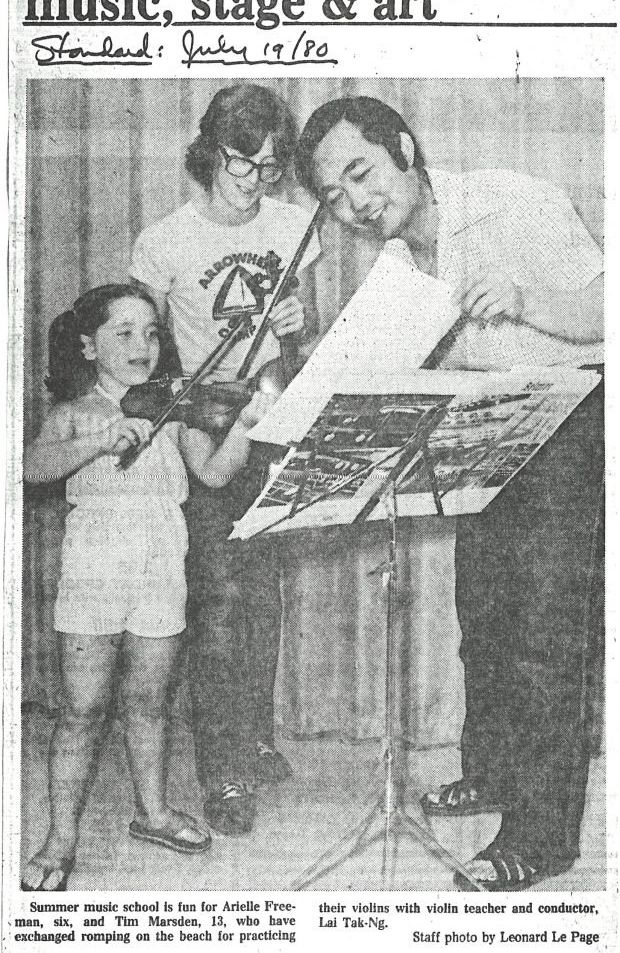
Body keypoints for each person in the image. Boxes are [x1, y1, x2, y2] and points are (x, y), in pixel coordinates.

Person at [295, 96, 604, 890]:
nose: (356, 203)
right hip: (482, 426)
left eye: (360, 173)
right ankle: (495, 769)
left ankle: (542, 836)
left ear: (403, 147)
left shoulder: (515, 199)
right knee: (485, 618)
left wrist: (533, 302)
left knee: (544, 638)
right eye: (334, 196)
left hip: (568, 415)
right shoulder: (395, 264)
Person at [22, 283, 272, 890]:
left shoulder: (174, 407)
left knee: (149, 699)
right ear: (88, 345)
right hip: (96, 565)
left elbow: (212, 473)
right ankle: (59, 838)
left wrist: (245, 425)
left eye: (152, 333)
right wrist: (97, 441)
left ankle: (153, 813)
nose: (144, 345)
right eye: (125, 333)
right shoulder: (77, 411)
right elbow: (29, 467)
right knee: (81, 707)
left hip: (162, 559)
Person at [130, 84, 320, 835]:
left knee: (263, 598)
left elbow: (298, 343)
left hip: (271, 420)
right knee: (219, 604)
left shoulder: (294, 224)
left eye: (270, 167)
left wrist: (299, 325)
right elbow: (142, 351)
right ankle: (226, 773)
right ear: (212, 149)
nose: (255, 180)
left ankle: (252, 735)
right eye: (244, 162)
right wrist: (179, 420)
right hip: (206, 429)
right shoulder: (164, 240)